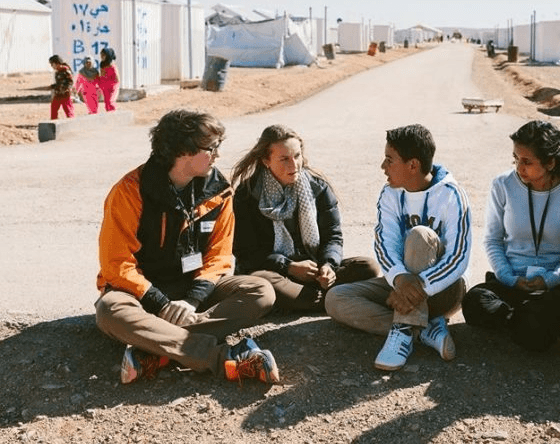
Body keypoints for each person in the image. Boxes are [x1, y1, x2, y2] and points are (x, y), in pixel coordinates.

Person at [94, 109, 279, 385]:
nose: (217, 155)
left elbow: (220, 255)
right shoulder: (130, 190)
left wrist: (190, 301)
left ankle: (157, 348)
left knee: (261, 291)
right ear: (182, 151)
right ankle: (222, 357)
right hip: (142, 294)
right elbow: (116, 263)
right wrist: (161, 303)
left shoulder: (219, 190)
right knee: (109, 311)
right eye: (211, 148)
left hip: (191, 291)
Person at [325, 124, 471, 371]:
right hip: (402, 284)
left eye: (389, 160)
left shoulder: (451, 194)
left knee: (419, 235)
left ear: (413, 165)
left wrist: (421, 286)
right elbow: (384, 243)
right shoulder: (390, 193)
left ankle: (403, 330)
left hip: (444, 288)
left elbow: (458, 257)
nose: (383, 167)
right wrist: (400, 278)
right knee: (335, 299)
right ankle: (424, 329)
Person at [461, 120, 560, 351]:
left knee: (539, 323)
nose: (519, 168)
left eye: (526, 162)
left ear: (550, 162)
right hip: (512, 282)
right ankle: (526, 321)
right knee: (473, 301)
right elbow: (492, 239)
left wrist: (551, 278)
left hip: (555, 285)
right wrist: (510, 278)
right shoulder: (502, 184)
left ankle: (524, 321)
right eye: (515, 159)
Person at [232, 125, 381, 313]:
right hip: (275, 272)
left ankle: (313, 298)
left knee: (369, 267)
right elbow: (245, 251)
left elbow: (332, 236)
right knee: (265, 283)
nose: (294, 165)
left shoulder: (317, 188)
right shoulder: (247, 195)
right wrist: (289, 266)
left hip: (313, 268)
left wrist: (329, 265)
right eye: (284, 159)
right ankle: (333, 297)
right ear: (265, 160)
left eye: (297, 156)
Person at [48, 54, 75, 120]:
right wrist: (52, 87)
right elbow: (58, 84)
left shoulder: (66, 70)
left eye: (52, 64)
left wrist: (67, 90)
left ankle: (71, 123)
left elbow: (70, 82)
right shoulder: (57, 72)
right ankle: (54, 123)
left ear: (57, 63)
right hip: (58, 94)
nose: (52, 66)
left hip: (66, 94)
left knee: (68, 110)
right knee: (54, 108)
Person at [98, 47, 119, 112]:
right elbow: (102, 75)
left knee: (111, 102)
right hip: (105, 86)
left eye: (103, 55)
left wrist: (113, 86)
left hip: (112, 86)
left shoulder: (112, 66)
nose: (102, 56)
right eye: (101, 55)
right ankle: (110, 119)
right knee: (107, 104)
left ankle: (115, 116)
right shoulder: (102, 64)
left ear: (108, 56)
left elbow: (117, 79)